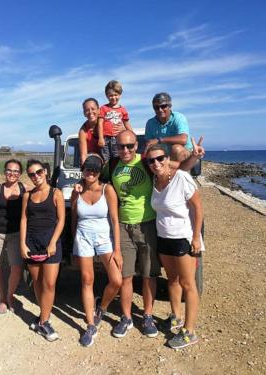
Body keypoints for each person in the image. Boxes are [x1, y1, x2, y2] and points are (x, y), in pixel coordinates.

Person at [100, 130, 204, 339]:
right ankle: (127, 317)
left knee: (149, 275)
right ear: (116, 148)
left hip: (148, 225)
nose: (126, 149)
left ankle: (147, 316)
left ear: (136, 147)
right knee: (126, 276)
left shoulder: (147, 161)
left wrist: (194, 156)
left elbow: (176, 171)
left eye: (130, 146)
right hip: (123, 225)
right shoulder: (111, 166)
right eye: (121, 146)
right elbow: (96, 182)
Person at [146, 143, 204, 349]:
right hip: (163, 237)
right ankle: (176, 316)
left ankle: (189, 331)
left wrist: (196, 238)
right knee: (172, 280)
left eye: (160, 158)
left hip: (183, 238)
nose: (156, 163)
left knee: (188, 284)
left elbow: (198, 208)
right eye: (151, 160)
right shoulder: (154, 179)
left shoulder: (181, 178)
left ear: (167, 158)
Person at [70, 154, 123, 347]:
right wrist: (73, 246)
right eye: (87, 169)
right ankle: (91, 324)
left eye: (94, 170)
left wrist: (117, 249)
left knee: (116, 280)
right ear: (82, 171)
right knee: (87, 280)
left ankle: (101, 308)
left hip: (104, 237)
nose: (91, 173)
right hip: (83, 237)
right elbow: (74, 219)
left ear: (100, 172)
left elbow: (115, 221)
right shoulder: (77, 191)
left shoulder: (107, 190)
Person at [20, 159, 65, 341]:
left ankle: (44, 322)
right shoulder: (27, 196)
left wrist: (53, 242)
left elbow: (61, 220)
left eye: (39, 172)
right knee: (37, 283)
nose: (36, 176)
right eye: (32, 174)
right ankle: (43, 315)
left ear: (45, 172)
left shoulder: (56, 193)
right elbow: (23, 219)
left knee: (49, 284)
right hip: (32, 242)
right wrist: (22, 244)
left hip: (50, 243)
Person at [0, 159, 29, 314]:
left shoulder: (25, 188)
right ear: (5, 172)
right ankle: (2, 298)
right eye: (9, 170)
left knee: (16, 267)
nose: (12, 173)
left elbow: (42, 190)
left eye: (16, 171)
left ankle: (10, 296)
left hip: (16, 234)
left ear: (20, 174)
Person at [145, 92, 193, 162]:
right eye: (156, 107)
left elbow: (183, 139)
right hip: (163, 156)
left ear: (170, 106)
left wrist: (159, 140)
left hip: (183, 153)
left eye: (163, 106)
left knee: (176, 149)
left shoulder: (179, 118)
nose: (160, 110)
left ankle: (177, 171)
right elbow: (149, 144)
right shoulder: (150, 123)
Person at [97, 80, 133, 162]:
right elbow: (100, 124)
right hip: (105, 139)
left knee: (117, 159)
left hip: (118, 138)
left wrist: (132, 135)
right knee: (106, 159)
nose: (113, 97)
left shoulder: (123, 109)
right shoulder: (103, 108)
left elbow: (127, 124)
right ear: (106, 96)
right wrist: (101, 138)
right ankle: (107, 173)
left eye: (116, 95)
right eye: (110, 95)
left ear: (120, 95)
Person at [78, 98, 101, 166]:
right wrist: (84, 169)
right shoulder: (83, 131)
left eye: (93, 109)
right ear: (84, 113)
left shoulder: (107, 123)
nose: (90, 112)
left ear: (99, 110)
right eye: (87, 110)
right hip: (94, 163)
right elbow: (84, 155)